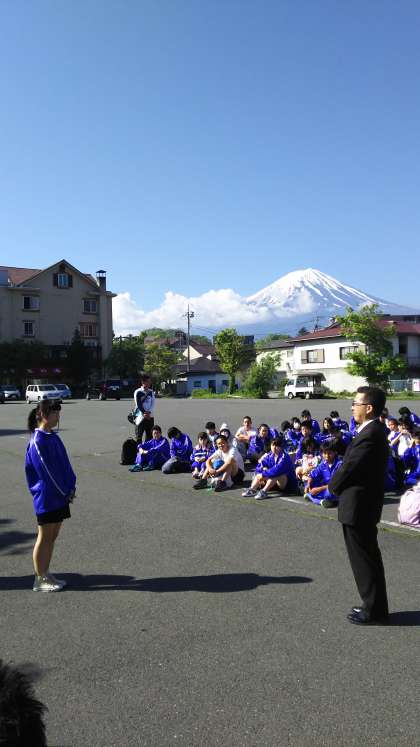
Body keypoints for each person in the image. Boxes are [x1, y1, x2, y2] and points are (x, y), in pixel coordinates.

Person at [329, 386, 390, 625]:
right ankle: (374, 605)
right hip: (362, 505)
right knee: (368, 557)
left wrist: (332, 487)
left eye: (356, 403)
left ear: (369, 408)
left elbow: (349, 467)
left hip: (359, 506)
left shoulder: (370, 433)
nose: (353, 407)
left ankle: (373, 609)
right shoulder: (371, 430)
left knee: (364, 559)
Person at [25, 400, 76, 592]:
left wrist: (71, 486)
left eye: (58, 413)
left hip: (61, 496)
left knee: (52, 536)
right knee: (44, 537)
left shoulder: (53, 437)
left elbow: (65, 464)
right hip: (47, 497)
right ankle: (39, 579)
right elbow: (46, 472)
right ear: (44, 414)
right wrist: (64, 491)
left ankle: (45, 572)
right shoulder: (37, 441)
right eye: (55, 413)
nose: (58, 417)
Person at [242, 435, 298, 500]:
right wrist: (263, 469)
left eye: (277, 446)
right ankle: (252, 489)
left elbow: (277, 470)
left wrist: (263, 474)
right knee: (260, 473)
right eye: (273, 445)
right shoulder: (269, 455)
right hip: (274, 483)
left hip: (287, 485)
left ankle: (264, 491)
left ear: (281, 447)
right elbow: (259, 466)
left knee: (276, 474)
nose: (274, 447)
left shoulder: (285, 457)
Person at [304, 440, 343, 508]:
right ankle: (323, 500)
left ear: (335, 452)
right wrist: (308, 485)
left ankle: (316, 499)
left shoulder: (340, 464)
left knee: (329, 493)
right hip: (325, 488)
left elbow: (336, 484)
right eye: (325, 453)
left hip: (335, 489)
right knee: (309, 483)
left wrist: (318, 489)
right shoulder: (323, 464)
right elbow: (313, 475)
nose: (327, 456)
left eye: (329, 453)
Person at [133, 374, 155, 443]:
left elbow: (153, 404)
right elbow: (138, 404)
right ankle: (138, 449)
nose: (149, 383)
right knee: (138, 437)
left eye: (150, 381)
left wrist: (149, 412)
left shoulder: (151, 392)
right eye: (148, 381)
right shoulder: (138, 391)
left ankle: (147, 449)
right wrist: (144, 413)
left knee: (150, 436)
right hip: (140, 417)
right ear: (143, 382)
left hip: (150, 417)